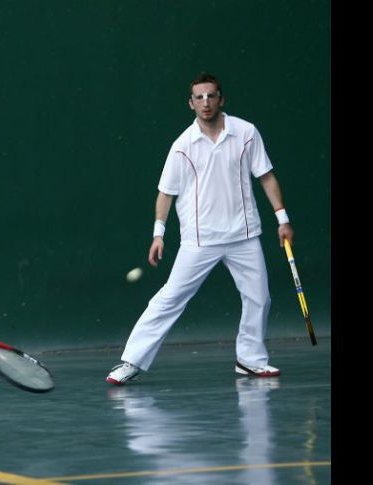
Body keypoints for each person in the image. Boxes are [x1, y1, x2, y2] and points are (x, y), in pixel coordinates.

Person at [106, 72, 294, 385]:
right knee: (170, 298)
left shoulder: (246, 133)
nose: (205, 103)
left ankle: (250, 359)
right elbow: (166, 192)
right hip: (200, 239)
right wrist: (158, 234)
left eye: (211, 96)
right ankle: (131, 361)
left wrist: (282, 218)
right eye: (199, 98)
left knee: (259, 297)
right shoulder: (182, 146)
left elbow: (266, 176)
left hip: (244, 236)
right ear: (190, 103)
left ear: (221, 99)